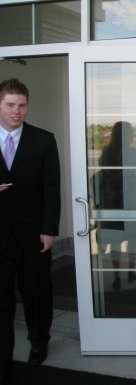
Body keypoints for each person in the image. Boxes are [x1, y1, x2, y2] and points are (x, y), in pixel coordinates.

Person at [0, 78, 61, 382]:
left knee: (36, 292)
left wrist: (50, 230)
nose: (16, 111)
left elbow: (52, 189)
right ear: (0, 105)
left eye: (22, 105)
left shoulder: (43, 139)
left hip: (34, 233)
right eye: (10, 104)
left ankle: (39, 342)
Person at [93, 121, 136, 291]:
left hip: (111, 201)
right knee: (133, 237)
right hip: (130, 200)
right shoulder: (133, 152)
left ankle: (117, 275)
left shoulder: (106, 152)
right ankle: (132, 270)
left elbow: (103, 174)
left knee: (115, 240)